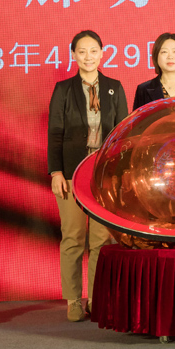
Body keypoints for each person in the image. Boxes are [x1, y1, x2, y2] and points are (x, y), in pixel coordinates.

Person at [48, 30, 129, 321]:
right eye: (81, 51)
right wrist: (56, 172)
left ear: (102, 53)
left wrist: (119, 175)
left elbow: (123, 135)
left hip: (103, 175)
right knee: (72, 237)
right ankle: (73, 300)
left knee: (101, 240)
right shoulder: (63, 89)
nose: (88, 56)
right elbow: (55, 133)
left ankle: (96, 297)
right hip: (71, 173)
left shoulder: (114, 87)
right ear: (73, 55)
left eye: (93, 50)